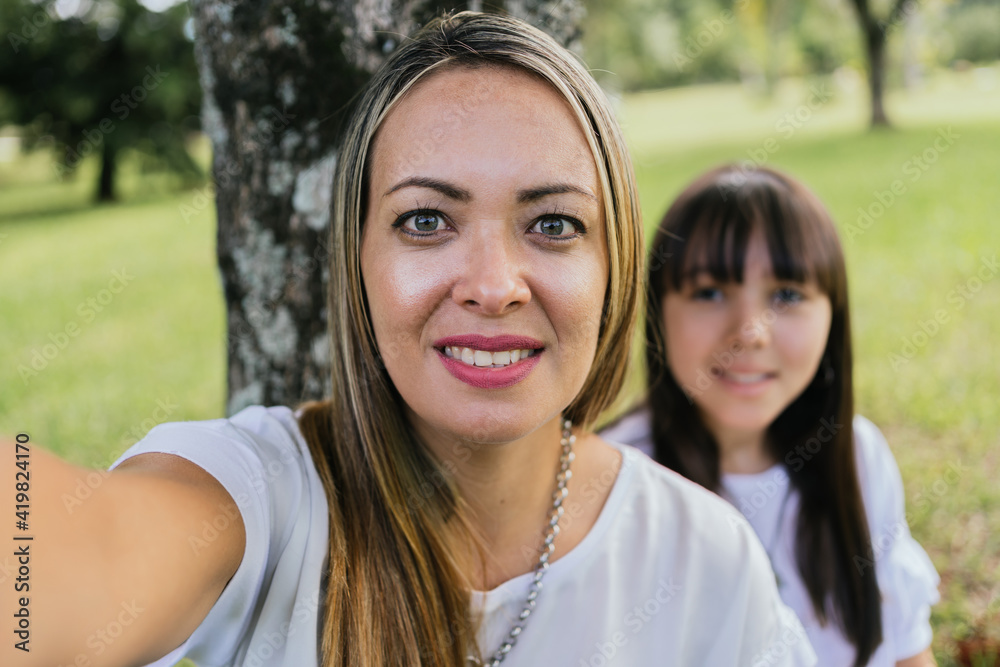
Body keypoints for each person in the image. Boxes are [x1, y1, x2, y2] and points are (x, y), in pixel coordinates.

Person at [1, 14, 816, 667]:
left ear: (615, 266)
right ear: (358, 262)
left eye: (554, 223)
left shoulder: (707, 563)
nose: (493, 284)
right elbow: (74, 556)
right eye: (426, 220)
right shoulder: (268, 500)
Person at [600, 165, 940, 667]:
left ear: (833, 315)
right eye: (710, 292)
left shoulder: (858, 456)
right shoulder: (613, 490)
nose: (751, 332)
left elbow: (905, 647)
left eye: (786, 295)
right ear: (656, 313)